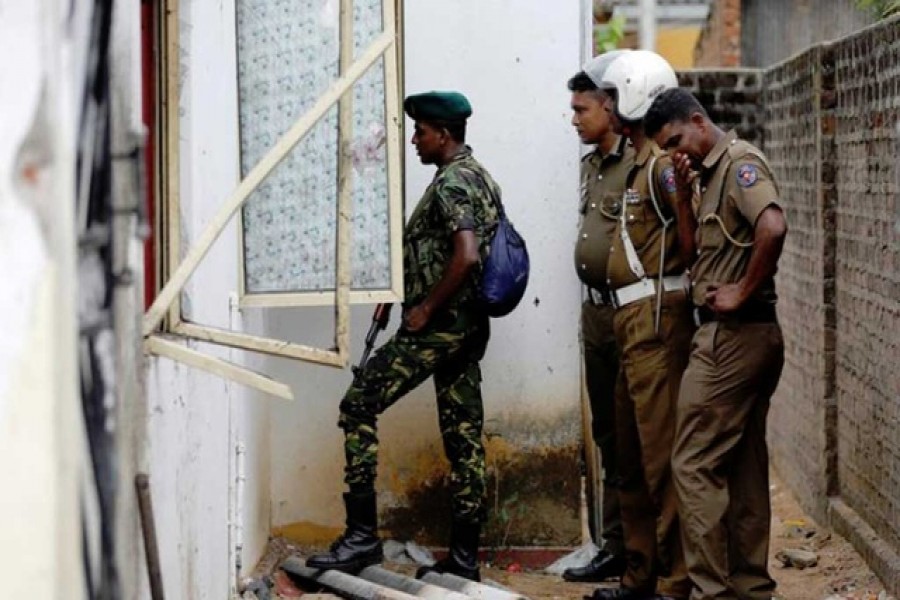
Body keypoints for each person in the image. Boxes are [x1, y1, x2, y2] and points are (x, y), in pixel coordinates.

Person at [307, 91, 500, 582]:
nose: (414, 140)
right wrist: (399, 290)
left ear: (444, 134)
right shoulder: (479, 176)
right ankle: (464, 560)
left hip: (439, 327)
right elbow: (445, 251)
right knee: (463, 437)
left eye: (421, 132)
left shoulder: (452, 182)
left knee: (358, 405)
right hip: (467, 327)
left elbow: (466, 254)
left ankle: (360, 539)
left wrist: (424, 308)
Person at [644, 87, 788, 600]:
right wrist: (684, 197)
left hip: (734, 337)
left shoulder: (740, 164)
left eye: (676, 141)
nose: (674, 154)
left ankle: (713, 592)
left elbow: (773, 226)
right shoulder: (706, 175)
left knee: (692, 463)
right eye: (666, 148)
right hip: (740, 336)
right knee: (743, 463)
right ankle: (750, 588)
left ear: (699, 122)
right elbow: (692, 256)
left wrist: (741, 291)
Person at [586, 50, 694, 600]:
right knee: (630, 455)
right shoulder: (635, 162)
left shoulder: (660, 166)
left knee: (660, 457)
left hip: (655, 319)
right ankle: (639, 574)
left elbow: (689, 238)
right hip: (627, 319)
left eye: (612, 96)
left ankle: (674, 581)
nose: (605, 106)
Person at [562, 49, 634, 584]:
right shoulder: (591, 167)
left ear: (609, 108)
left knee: (637, 436)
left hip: (631, 314)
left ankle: (645, 551)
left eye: (581, 109)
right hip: (595, 316)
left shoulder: (640, 163)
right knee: (608, 434)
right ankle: (616, 546)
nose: (574, 119)